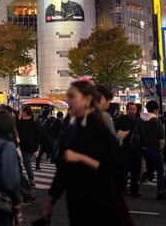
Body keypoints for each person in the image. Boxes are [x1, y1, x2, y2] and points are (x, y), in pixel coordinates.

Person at [41, 80, 126, 224]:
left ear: (87, 99)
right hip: (75, 200)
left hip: (99, 201)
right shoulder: (71, 129)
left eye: (72, 96)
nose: (68, 100)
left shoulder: (100, 130)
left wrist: (81, 158)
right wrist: (51, 200)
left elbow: (115, 170)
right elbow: (63, 168)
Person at [138, 100, 166, 200]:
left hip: (144, 148)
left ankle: (139, 181)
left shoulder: (140, 120)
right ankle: (160, 192)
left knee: (151, 168)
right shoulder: (156, 121)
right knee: (160, 170)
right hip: (155, 148)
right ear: (156, 109)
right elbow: (161, 135)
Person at [114, 102, 143, 197]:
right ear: (127, 110)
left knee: (136, 171)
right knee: (124, 171)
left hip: (136, 149)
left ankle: (134, 191)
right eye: (130, 109)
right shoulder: (121, 120)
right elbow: (116, 132)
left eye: (134, 109)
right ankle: (123, 188)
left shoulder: (139, 120)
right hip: (124, 149)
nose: (132, 111)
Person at [17, 105, 40, 187]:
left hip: (25, 146)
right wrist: (37, 147)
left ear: (25, 113)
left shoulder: (21, 123)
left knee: (27, 163)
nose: (21, 113)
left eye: (22, 112)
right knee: (27, 162)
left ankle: (31, 179)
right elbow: (37, 136)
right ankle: (30, 179)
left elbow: (18, 134)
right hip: (32, 146)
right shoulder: (34, 123)